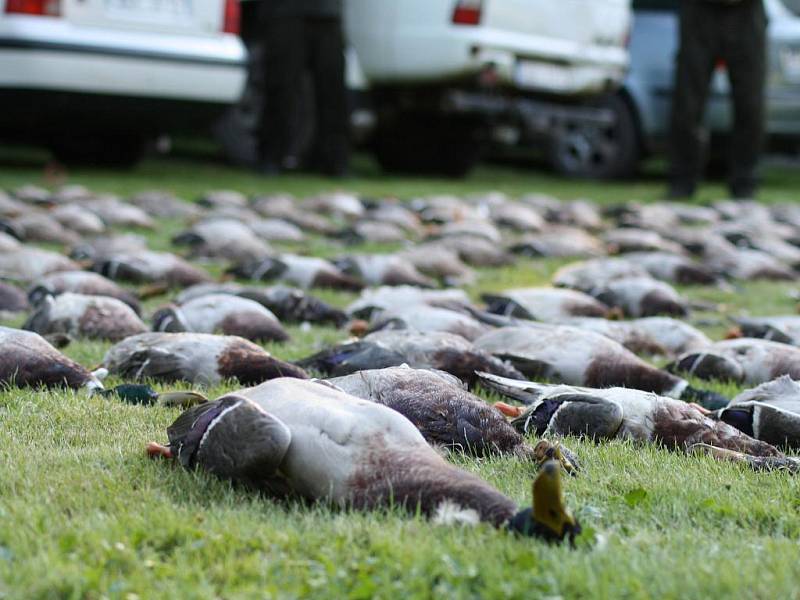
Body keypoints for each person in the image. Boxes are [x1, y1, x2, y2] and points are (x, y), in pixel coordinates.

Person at [668, 0, 767, 200]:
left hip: (747, 11)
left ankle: (745, 184)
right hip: (699, 10)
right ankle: (682, 181)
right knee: (687, 103)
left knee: (750, 104)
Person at [257, 0, 350, 177]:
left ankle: (334, 161)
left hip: (327, 13)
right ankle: (272, 157)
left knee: (333, 89)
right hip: (284, 11)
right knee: (281, 86)